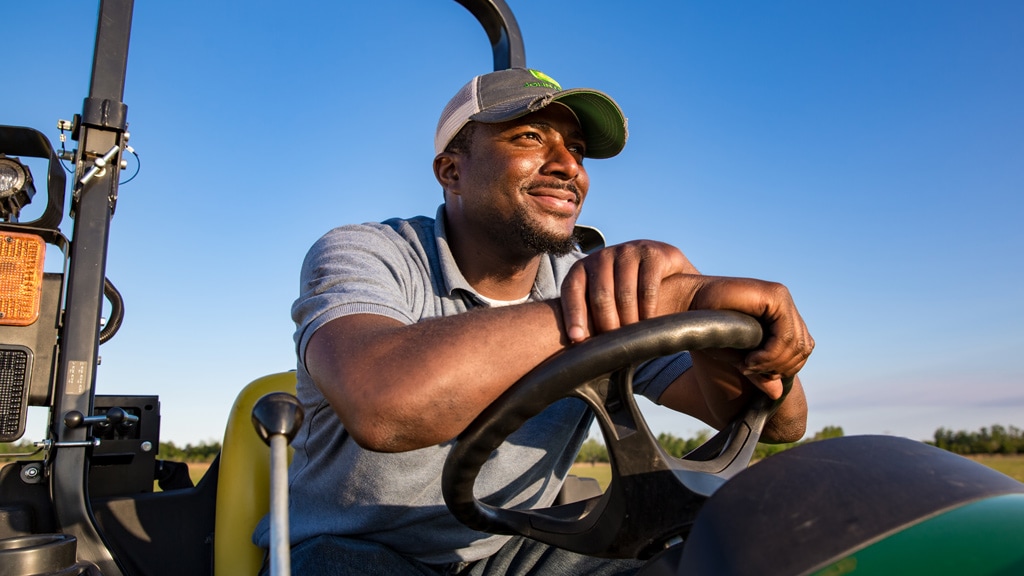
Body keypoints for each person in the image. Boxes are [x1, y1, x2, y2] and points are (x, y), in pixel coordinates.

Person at [253, 67, 812, 575]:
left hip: (511, 547)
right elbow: (382, 408)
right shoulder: (368, 253)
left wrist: (722, 325)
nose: (569, 166)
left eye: (575, 148)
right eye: (529, 137)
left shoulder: (589, 279)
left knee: (721, 556)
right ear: (452, 170)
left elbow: (777, 421)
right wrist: (670, 299)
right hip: (355, 551)